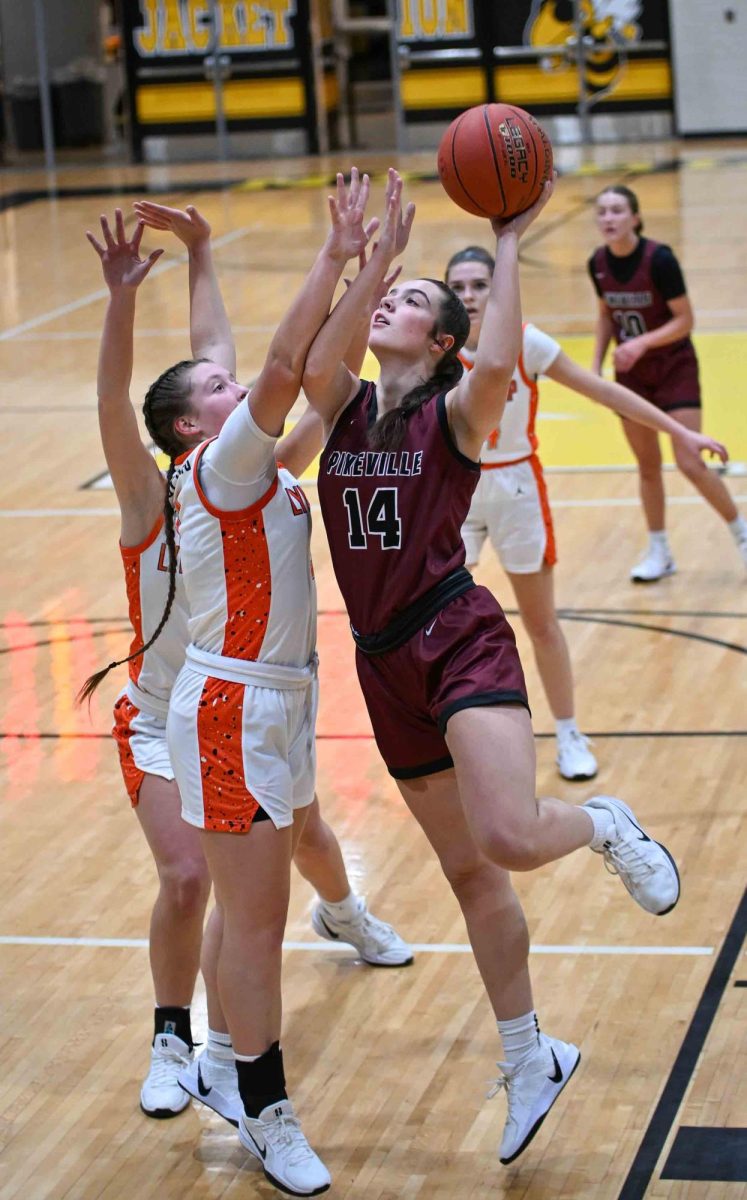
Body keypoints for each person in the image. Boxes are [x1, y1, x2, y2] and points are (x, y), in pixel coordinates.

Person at [300, 171, 681, 1168]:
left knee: (509, 836)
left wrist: (506, 244)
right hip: (381, 664)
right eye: (393, 293)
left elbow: (503, 358)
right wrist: (368, 257)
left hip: (455, 634)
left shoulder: (455, 417)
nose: (393, 301)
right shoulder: (340, 407)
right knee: (468, 871)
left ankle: (604, 823)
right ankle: (530, 1057)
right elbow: (313, 354)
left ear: (439, 346)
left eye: (416, 301)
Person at [83, 176, 409, 1197]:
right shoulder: (194, 473)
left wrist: (369, 273)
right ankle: (221, 1069)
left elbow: (313, 369)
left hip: (267, 698)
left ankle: (237, 1053)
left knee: (260, 888)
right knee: (218, 898)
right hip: (204, 704)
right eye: (210, 393)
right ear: (192, 428)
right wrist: (335, 259)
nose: (229, 386)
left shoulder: (252, 458)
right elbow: (268, 364)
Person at [444, 245, 728, 782]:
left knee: (541, 622)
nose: (469, 296)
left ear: (498, 288)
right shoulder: (435, 349)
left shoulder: (525, 342)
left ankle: (570, 732)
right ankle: (448, 736)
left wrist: (680, 431)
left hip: (517, 485)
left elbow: (606, 392)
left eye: (480, 284)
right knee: (435, 619)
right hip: (456, 489)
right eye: (458, 287)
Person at [590, 184, 747, 581]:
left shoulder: (660, 259)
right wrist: (595, 365)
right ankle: (659, 549)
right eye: (602, 211)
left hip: (673, 367)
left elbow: (685, 320)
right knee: (647, 466)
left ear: (635, 218)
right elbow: (607, 314)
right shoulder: (598, 263)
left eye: (617, 210)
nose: (608, 218)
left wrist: (641, 342)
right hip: (631, 375)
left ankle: (741, 535)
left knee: (690, 460)